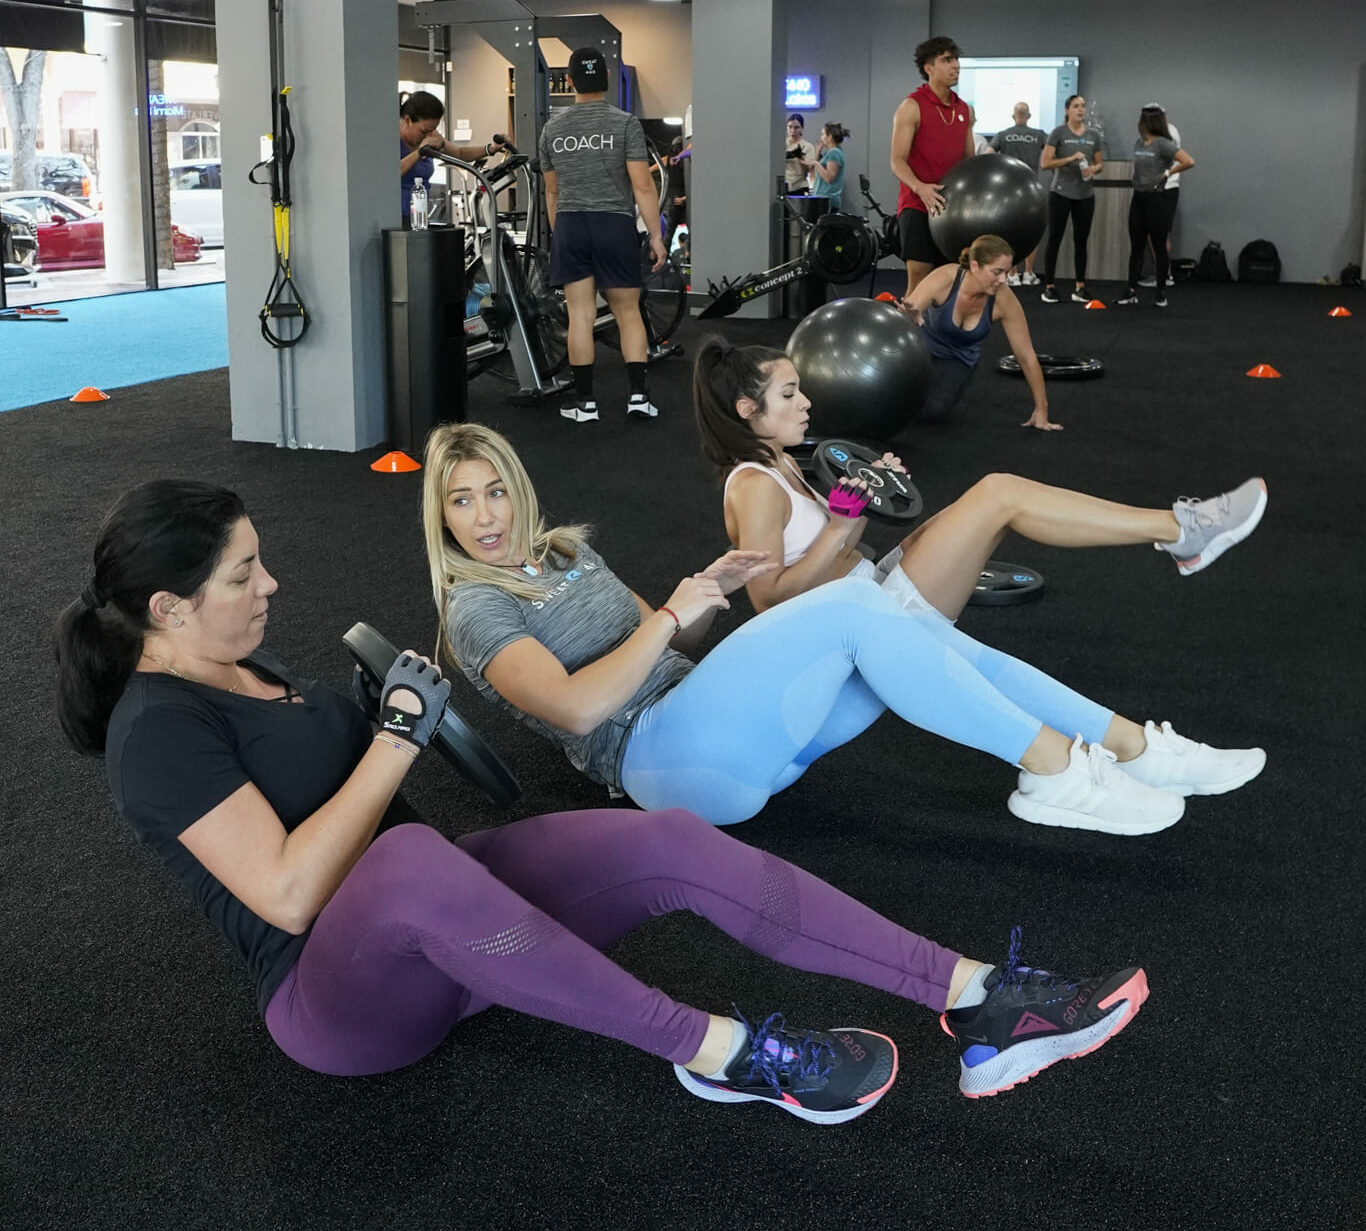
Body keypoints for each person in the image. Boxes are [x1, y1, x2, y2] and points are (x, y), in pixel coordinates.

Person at [54, 481, 1152, 1123]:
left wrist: (379, 717)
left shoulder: (241, 666)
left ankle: (977, 997)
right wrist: (395, 733)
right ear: (167, 606)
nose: (270, 586)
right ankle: (728, 1055)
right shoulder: (155, 733)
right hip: (342, 1006)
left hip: (453, 926)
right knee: (408, 864)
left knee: (663, 839)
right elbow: (291, 894)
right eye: (244, 574)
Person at [425, 422, 1263, 838]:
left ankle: (1137, 751)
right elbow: (574, 710)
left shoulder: (566, 552)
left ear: (518, 490)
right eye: (461, 501)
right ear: (442, 516)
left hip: (734, 735)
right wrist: (677, 613)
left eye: (492, 491)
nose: (484, 515)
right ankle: (1052, 773)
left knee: (912, 627)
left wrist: (703, 602)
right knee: (863, 607)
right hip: (663, 763)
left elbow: (668, 645)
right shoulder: (474, 608)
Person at [538, 47, 667, 424]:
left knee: (580, 314)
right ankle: (639, 398)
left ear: (571, 82)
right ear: (607, 80)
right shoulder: (625, 123)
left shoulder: (552, 129)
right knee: (628, 312)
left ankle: (585, 404)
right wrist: (656, 236)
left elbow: (552, 191)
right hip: (614, 224)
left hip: (572, 225)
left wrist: (558, 232)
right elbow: (643, 186)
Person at [899, 234, 1060, 428]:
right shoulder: (945, 278)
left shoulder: (1004, 300)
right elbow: (902, 320)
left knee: (933, 411)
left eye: (1006, 272)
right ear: (975, 266)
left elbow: (1026, 356)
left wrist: (1041, 409)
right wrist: (911, 320)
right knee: (891, 392)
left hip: (958, 359)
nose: (1003, 279)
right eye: (997, 272)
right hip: (921, 349)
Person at [890, 36, 974, 297]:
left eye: (956, 59)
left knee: (951, 279)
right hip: (917, 204)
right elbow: (897, 160)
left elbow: (969, 162)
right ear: (929, 68)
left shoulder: (965, 110)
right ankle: (910, 335)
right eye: (947, 60)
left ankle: (941, 338)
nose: (955, 65)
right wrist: (921, 188)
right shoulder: (911, 106)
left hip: (952, 207)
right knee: (920, 278)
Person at [1117, 107, 1194, 308]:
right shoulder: (1139, 143)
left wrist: (1168, 173)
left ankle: (1160, 292)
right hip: (1139, 198)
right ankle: (1131, 290)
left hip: (1157, 200)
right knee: (1136, 248)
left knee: (1159, 246)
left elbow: (1188, 161)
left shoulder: (1163, 144)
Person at [398, 91, 506, 223]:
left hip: (418, 216)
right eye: (424, 131)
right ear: (408, 120)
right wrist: (420, 152)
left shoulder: (430, 136)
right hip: (393, 215)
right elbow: (389, 175)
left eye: (433, 130)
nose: (429, 135)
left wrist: (490, 149)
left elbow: (459, 153)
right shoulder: (393, 140)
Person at [1039, 95, 1104, 305]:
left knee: (1081, 241)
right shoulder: (1058, 133)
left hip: (1085, 195)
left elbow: (1099, 164)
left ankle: (1080, 287)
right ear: (1067, 110)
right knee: (1055, 238)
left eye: (1083, 106)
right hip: (1060, 193)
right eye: (1076, 106)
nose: (1081, 110)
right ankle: (1049, 287)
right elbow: (1045, 163)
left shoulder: (1093, 135)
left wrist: (1094, 169)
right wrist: (1069, 159)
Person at [993, 102, 1049, 285]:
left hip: (1008, 191)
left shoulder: (1002, 135)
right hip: (1031, 189)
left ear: (1013, 116)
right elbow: (1055, 149)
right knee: (1031, 231)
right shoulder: (1039, 135)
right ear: (1029, 116)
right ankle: (1029, 273)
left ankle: (1012, 274)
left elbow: (987, 153)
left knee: (1009, 231)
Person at [1137, 102, 1182, 287]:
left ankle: (1165, 275)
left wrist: (1164, 175)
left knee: (1160, 235)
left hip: (1166, 189)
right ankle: (1161, 274)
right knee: (1154, 234)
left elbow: (1177, 160)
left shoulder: (1167, 134)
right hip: (1157, 189)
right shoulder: (1160, 133)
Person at [801, 123, 849, 211]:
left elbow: (829, 178)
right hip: (821, 198)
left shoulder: (834, 153)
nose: (821, 137)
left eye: (823, 134)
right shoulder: (830, 152)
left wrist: (816, 163)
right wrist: (818, 153)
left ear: (829, 137)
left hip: (828, 199)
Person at [784, 115, 817, 195]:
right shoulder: (781, 144)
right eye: (790, 127)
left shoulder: (808, 147)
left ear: (802, 128)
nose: (793, 130)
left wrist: (800, 158)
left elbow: (809, 172)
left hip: (799, 187)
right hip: (784, 186)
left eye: (796, 127)